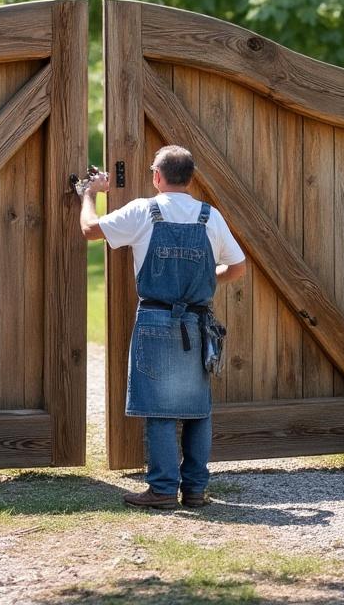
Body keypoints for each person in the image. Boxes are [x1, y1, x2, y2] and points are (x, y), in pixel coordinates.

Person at [79, 145, 247, 509]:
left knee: (159, 408)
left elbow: (90, 229)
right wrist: (207, 279)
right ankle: (196, 490)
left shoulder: (144, 210)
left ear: (157, 177)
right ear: (191, 178)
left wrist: (90, 194)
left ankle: (163, 489)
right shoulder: (210, 216)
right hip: (198, 323)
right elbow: (237, 267)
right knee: (198, 409)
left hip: (155, 319)